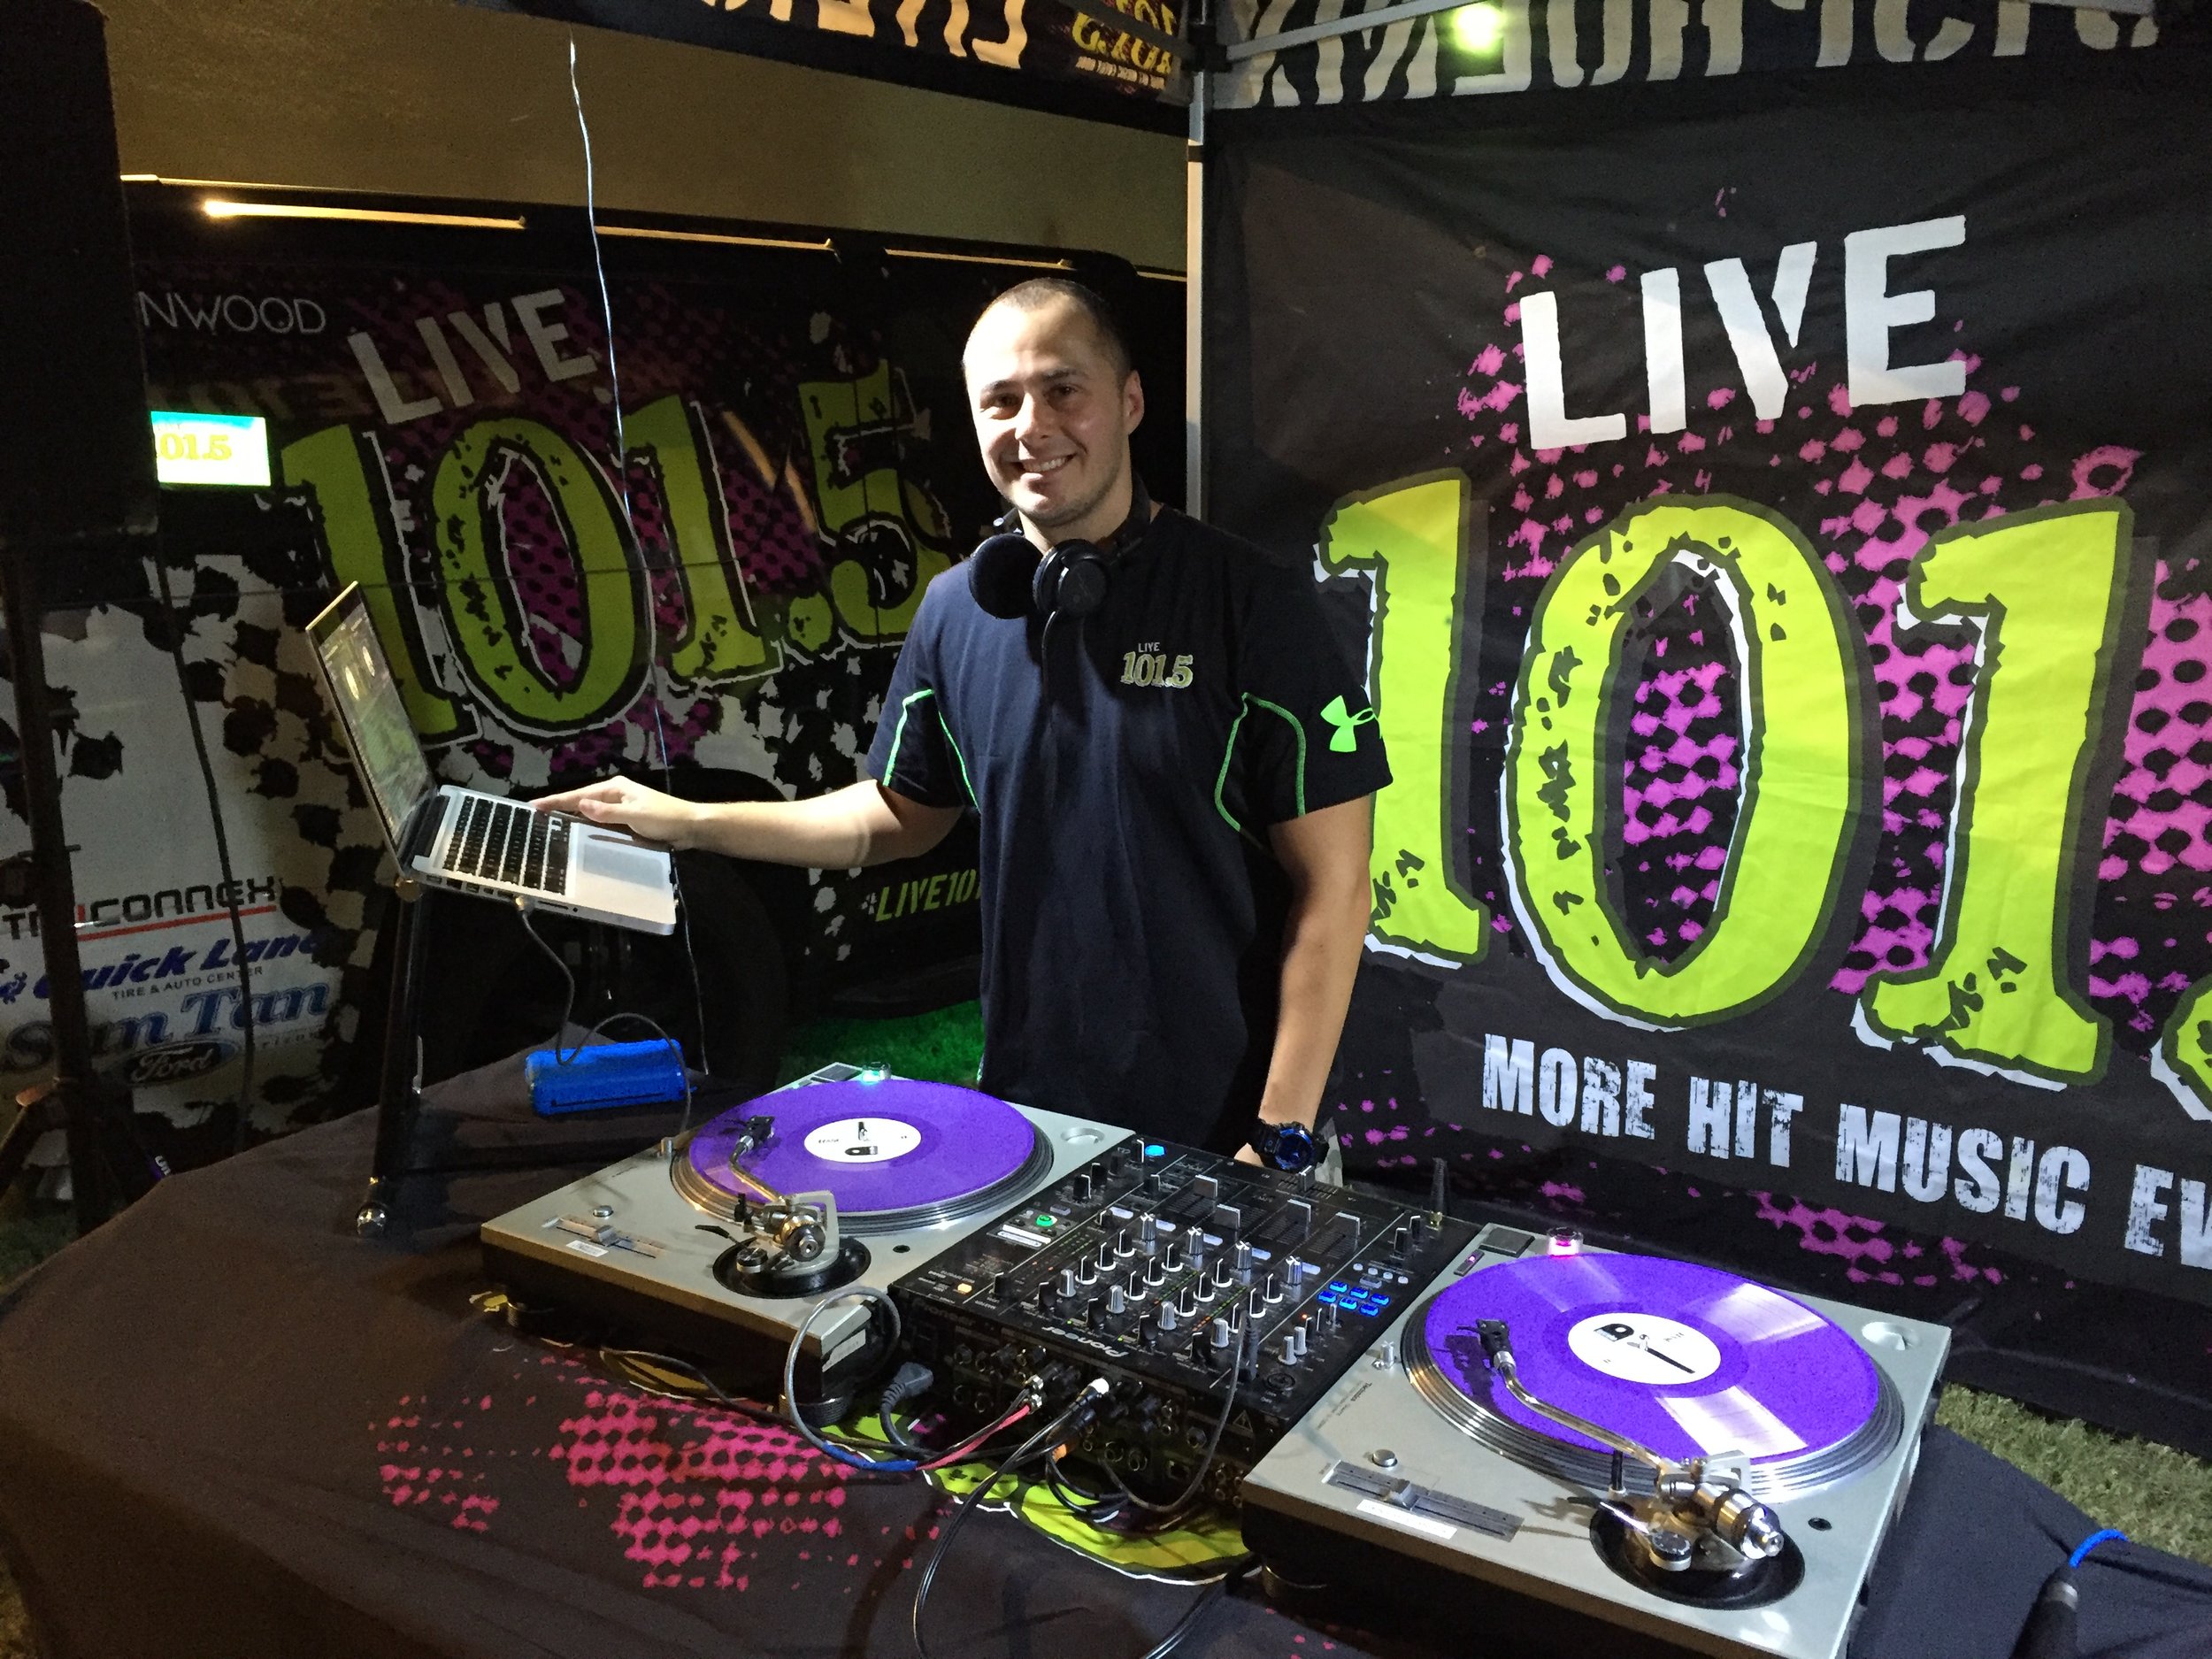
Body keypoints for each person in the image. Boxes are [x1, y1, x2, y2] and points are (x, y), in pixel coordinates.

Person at [533, 279, 1387, 1171]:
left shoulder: (1251, 603)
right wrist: (690, 823)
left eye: (1063, 390)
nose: (1032, 426)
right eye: (1001, 401)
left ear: (1129, 402)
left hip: (1226, 1128)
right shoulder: (956, 609)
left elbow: (1337, 889)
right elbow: (898, 816)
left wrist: (1274, 1134)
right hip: (1029, 1117)